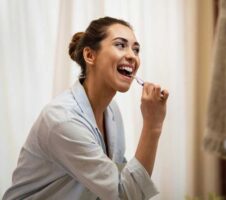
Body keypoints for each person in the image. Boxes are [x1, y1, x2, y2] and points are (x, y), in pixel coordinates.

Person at [3, 16, 169, 200]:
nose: (132, 56)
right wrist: (153, 126)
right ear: (90, 55)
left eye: (136, 49)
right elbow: (123, 195)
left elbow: (120, 180)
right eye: (121, 45)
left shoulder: (112, 111)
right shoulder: (63, 120)